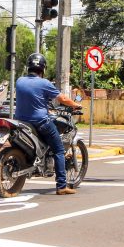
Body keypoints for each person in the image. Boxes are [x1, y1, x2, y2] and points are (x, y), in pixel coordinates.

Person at [15, 53, 81, 195]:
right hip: (40, 122)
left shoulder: (19, 81)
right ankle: (62, 186)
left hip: (20, 122)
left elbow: (32, 98)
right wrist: (75, 105)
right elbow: (62, 98)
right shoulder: (44, 83)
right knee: (59, 150)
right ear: (43, 69)